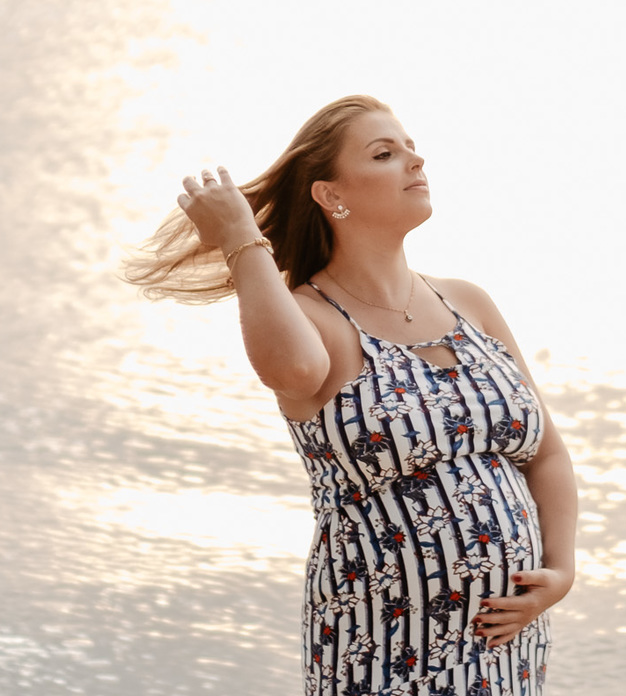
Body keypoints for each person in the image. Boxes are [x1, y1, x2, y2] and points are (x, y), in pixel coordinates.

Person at [125, 94, 577, 695]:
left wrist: (561, 571)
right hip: (383, 649)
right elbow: (288, 368)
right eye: (385, 153)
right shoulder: (316, 319)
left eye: (411, 148)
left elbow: (545, 453)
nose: (415, 160)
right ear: (330, 194)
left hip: (504, 646)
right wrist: (240, 237)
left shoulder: (467, 303)